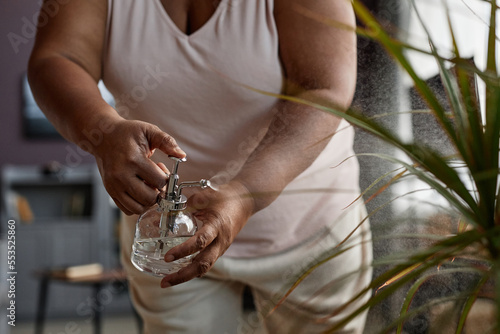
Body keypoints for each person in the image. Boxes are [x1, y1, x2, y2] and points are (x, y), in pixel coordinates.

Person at [28, 0, 372, 332]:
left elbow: (324, 88)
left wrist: (246, 194)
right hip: (167, 240)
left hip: (308, 228)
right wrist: (103, 133)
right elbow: (57, 57)